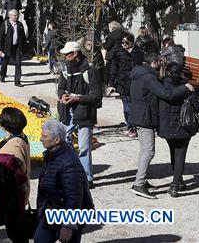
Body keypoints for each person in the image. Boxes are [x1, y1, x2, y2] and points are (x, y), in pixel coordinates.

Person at [128, 52, 193, 199]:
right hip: (145, 119)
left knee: (144, 150)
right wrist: (185, 88)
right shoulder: (149, 77)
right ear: (155, 62)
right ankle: (138, 184)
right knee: (149, 151)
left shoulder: (139, 73)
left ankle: (142, 180)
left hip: (140, 116)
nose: (162, 64)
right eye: (160, 61)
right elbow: (166, 95)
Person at [34, 120, 93, 243]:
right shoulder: (53, 155)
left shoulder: (68, 162)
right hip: (52, 211)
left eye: (45, 136)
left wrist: (69, 225)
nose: (40, 139)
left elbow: (74, 196)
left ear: (56, 140)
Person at [56, 41, 101, 187]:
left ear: (75, 54)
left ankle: (87, 178)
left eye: (67, 54)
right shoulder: (65, 68)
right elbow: (61, 87)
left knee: (84, 146)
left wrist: (77, 98)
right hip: (67, 111)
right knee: (64, 142)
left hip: (84, 112)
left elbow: (97, 95)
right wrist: (62, 95)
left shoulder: (90, 70)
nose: (64, 56)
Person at [158, 61, 199, 197]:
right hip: (184, 125)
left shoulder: (161, 85)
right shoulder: (187, 86)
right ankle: (176, 185)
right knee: (181, 155)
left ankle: (179, 181)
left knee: (173, 152)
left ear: (168, 72)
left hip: (167, 125)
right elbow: (197, 108)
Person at [0, 108, 31, 243]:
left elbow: (13, 171)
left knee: (16, 232)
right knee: (17, 230)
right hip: (18, 193)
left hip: (14, 195)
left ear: (6, 126)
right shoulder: (21, 137)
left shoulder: (14, 145)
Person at [106, 33, 142, 137]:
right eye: (122, 42)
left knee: (135, 106)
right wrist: (111, 83)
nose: (124, 44)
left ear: (132, 42)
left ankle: (135, 126)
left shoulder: (138, 53)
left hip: (135, 82)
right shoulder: (118, 53)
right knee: (127, 106)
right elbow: (113, 68)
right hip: (123, 83)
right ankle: (131, 127)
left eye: (126, 42)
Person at [0, 9, 27, 86]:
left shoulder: (20, 25)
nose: (16, 17)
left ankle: (17, 82)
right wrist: (0, 49)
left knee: (18, 64)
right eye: (14, 15)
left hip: (17, 47)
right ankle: (2, 76)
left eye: (17, 15)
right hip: (7, 47)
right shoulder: (5, 24)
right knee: (5, 62)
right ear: (10, 16)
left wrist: (24, 48)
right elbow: (0, 38)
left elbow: (23, 37)